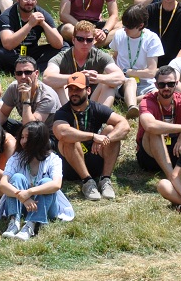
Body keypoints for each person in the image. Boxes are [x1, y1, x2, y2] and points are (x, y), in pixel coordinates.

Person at [52, 73, 130, 201]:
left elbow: (124, 125)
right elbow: (62, 133)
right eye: (71, 89)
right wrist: (93, 137)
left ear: (88, 90)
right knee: (69, 138)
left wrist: (107, 138)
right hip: (71, 166)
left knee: (111, 130)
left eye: (78, 89)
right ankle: (87, 182)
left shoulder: (96, 108)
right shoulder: (62, 112)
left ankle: (105, 179)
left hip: (95, 159)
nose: (74, 93)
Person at [0, 120, 74, 239]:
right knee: (17, 178)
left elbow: (56, 185)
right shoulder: (16, 158)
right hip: (22, 205)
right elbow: (3, 184)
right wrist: (23, 198)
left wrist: (29, 192)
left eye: (27, 138)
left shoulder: (53, 159)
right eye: (22, 137)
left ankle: (31, 225)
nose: (23, 141)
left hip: (47, 207)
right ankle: (14, 221)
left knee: (46, 182)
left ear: (38, 140)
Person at [136, 65, 181, 180]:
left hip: (175, 151)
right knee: (153, 131)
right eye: (162, 85)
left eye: (171, 84)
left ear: (176, 84)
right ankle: (173, 177)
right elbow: (149, 125)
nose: (166, 88)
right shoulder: (147, 101)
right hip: (150, 156)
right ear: (156, 85)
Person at [42, 20, 124, 108]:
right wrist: (76, 77)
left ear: (94, 41)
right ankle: (69, 115)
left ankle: (99, 118)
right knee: (58, 84)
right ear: (73, 40)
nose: (85, 43)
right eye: (80, 39)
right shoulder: (62, 57)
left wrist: (97, 78)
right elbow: (47, 78)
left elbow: (120, 77)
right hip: (69, 99)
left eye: (89, 40)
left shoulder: (100, 56)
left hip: (92, 100)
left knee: (108, 84)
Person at [0, 0, 63, 73]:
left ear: (37, 0)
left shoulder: (42, 14)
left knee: (64, 47)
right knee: (0, 54)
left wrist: (43, 24)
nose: (29, 2)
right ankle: (32, 68)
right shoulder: (7, 16)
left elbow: (58, 44)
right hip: (12, 53)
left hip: (31, 52)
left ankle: (30, 68)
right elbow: (8, 44)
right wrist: (30, 24)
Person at [110, 4, 165, 116]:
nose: (125, 29)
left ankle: (130, 100)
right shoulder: (119, 35)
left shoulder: (152, 39)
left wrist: (129, 71)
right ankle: (132, 106)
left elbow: (151, 72)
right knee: (131, 81)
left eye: (128, 27)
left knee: (160, 93)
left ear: (141, 25)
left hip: (144, 82)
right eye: (124, 25)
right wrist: (119, 73)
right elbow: (114, 56)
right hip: (124, 80)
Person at [0, 56, 61, 138]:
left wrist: (26, 100)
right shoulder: (14, 88)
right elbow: (3, 113)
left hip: (47, 136)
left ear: (36, 74)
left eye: (28, 72)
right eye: (19, 73)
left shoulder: (47, 96)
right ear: (15, 75)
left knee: (28, 137)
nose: (23, 77)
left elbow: (31, 129)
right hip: (26, 126)